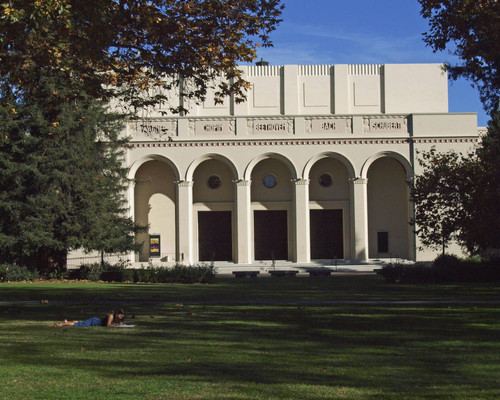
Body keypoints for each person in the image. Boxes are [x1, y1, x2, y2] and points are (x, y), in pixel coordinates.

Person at [54, 309, 125, 328]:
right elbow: (108, 325)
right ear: (117, 314)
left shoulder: (114, 318)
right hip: (94, 321)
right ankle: (61, 324)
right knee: (80, 325)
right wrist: (117, 324)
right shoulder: (111, 316)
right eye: (121, 316)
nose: (121, 318)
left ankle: (67, 321)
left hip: (95, 321)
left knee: (80, 322)